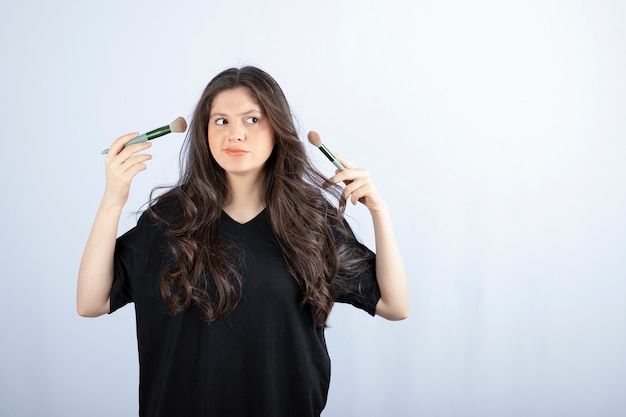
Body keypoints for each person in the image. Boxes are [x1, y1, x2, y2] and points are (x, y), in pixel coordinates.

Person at [77, 65, 408, 417]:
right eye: (221, 121)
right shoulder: (169, 219)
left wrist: (380, 211)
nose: (235, 134)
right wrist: (113, 199)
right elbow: (91, 302)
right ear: (204, 133)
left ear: (277, 130)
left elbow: (393, 305)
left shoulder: (312, 222)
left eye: (252, 120)